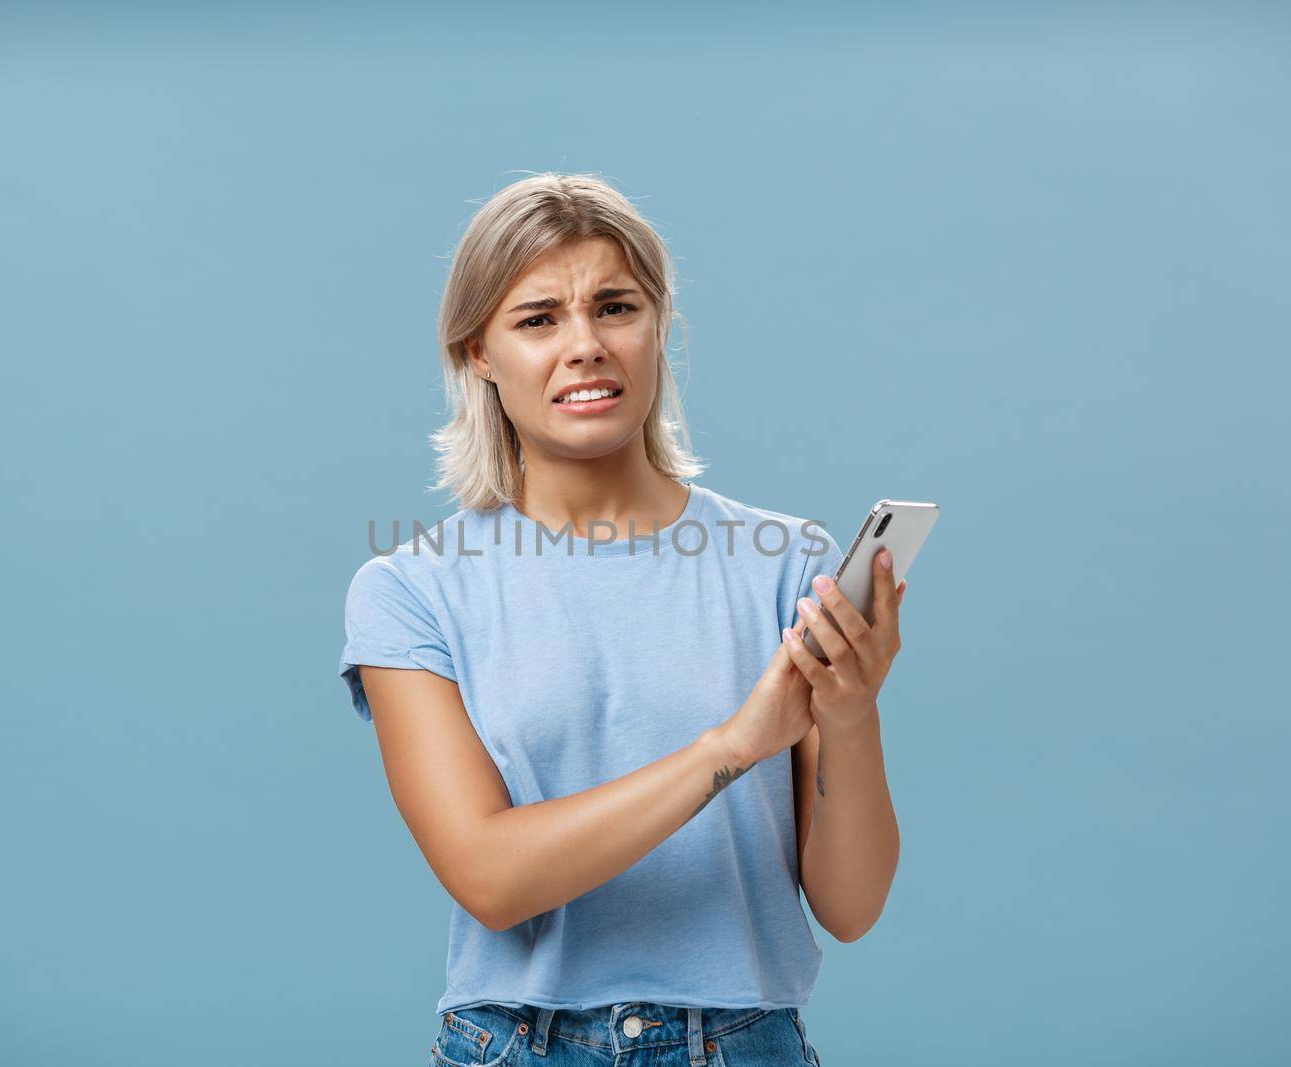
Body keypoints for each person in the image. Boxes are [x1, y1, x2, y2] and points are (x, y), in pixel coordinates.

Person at [338, 173, 907, 1067]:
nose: (585, 346)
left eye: (615, 307)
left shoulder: (786, 562)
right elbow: (491, 878)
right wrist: (732, 745)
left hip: (745, 1044)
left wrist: (850, 711)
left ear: (659, 326)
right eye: (537, 320)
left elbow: (851, 906)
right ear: (477, 354)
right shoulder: (411, 588)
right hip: (517, 1046)